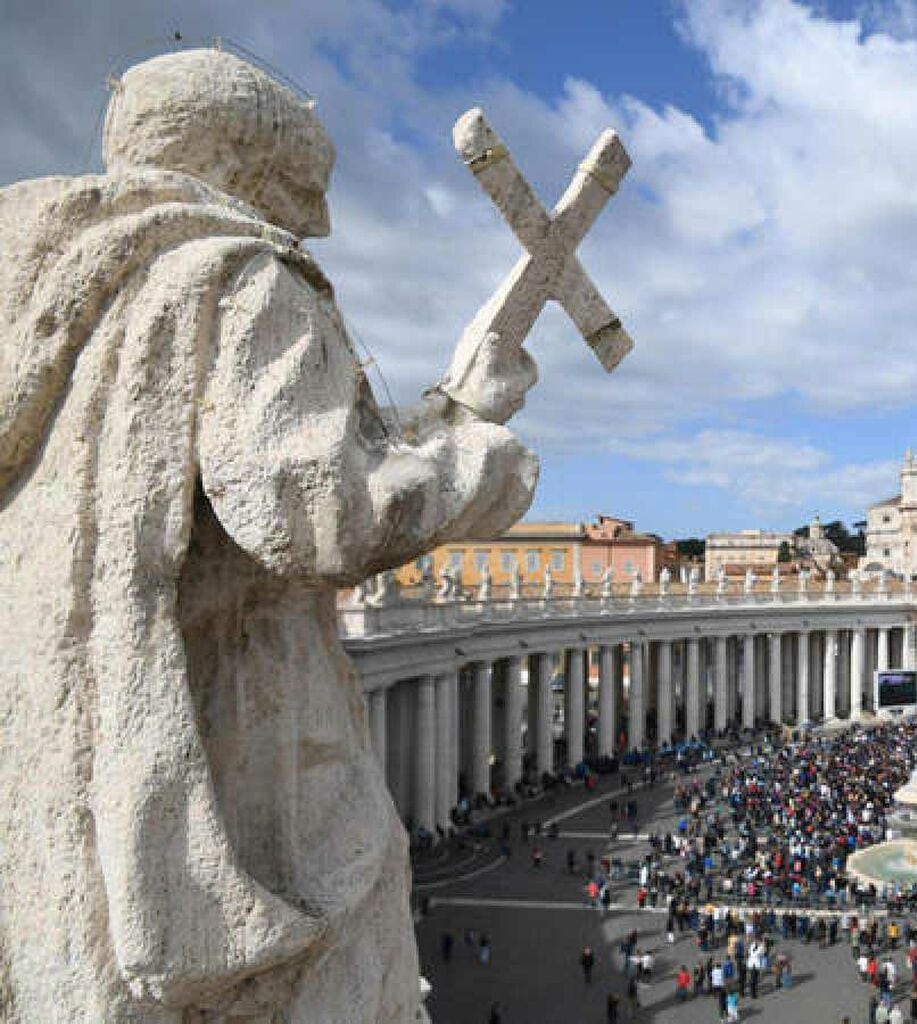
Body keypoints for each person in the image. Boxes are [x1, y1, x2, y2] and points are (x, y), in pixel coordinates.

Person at [0, 45, 538, 1021]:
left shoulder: (46, 298)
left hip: (52, 774)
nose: (318, 223)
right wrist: (484, 463)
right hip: (238, 758)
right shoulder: (234, 277)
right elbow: (322, 511)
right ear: (262, 165)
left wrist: (451, 405)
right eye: (306, 192)